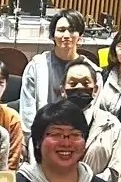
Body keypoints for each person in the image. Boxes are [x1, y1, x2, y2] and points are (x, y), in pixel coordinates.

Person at [19, 9, 86, 137]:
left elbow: (91, 112)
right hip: (43, 135)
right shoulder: (36, 67)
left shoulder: (90, 70)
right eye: (61, 30)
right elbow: (27, 111)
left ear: (80, 35)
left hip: (76, 137)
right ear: (52, 35)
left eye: (72, 30)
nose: (66, 35)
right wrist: (33, 140)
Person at [59, 58, 121, 174]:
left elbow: (115, 168)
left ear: (95, 89)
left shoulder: (111, 124)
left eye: (85, 83)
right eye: (73, 84)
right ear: (63, 90)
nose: (79, 87)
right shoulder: (49, 123)